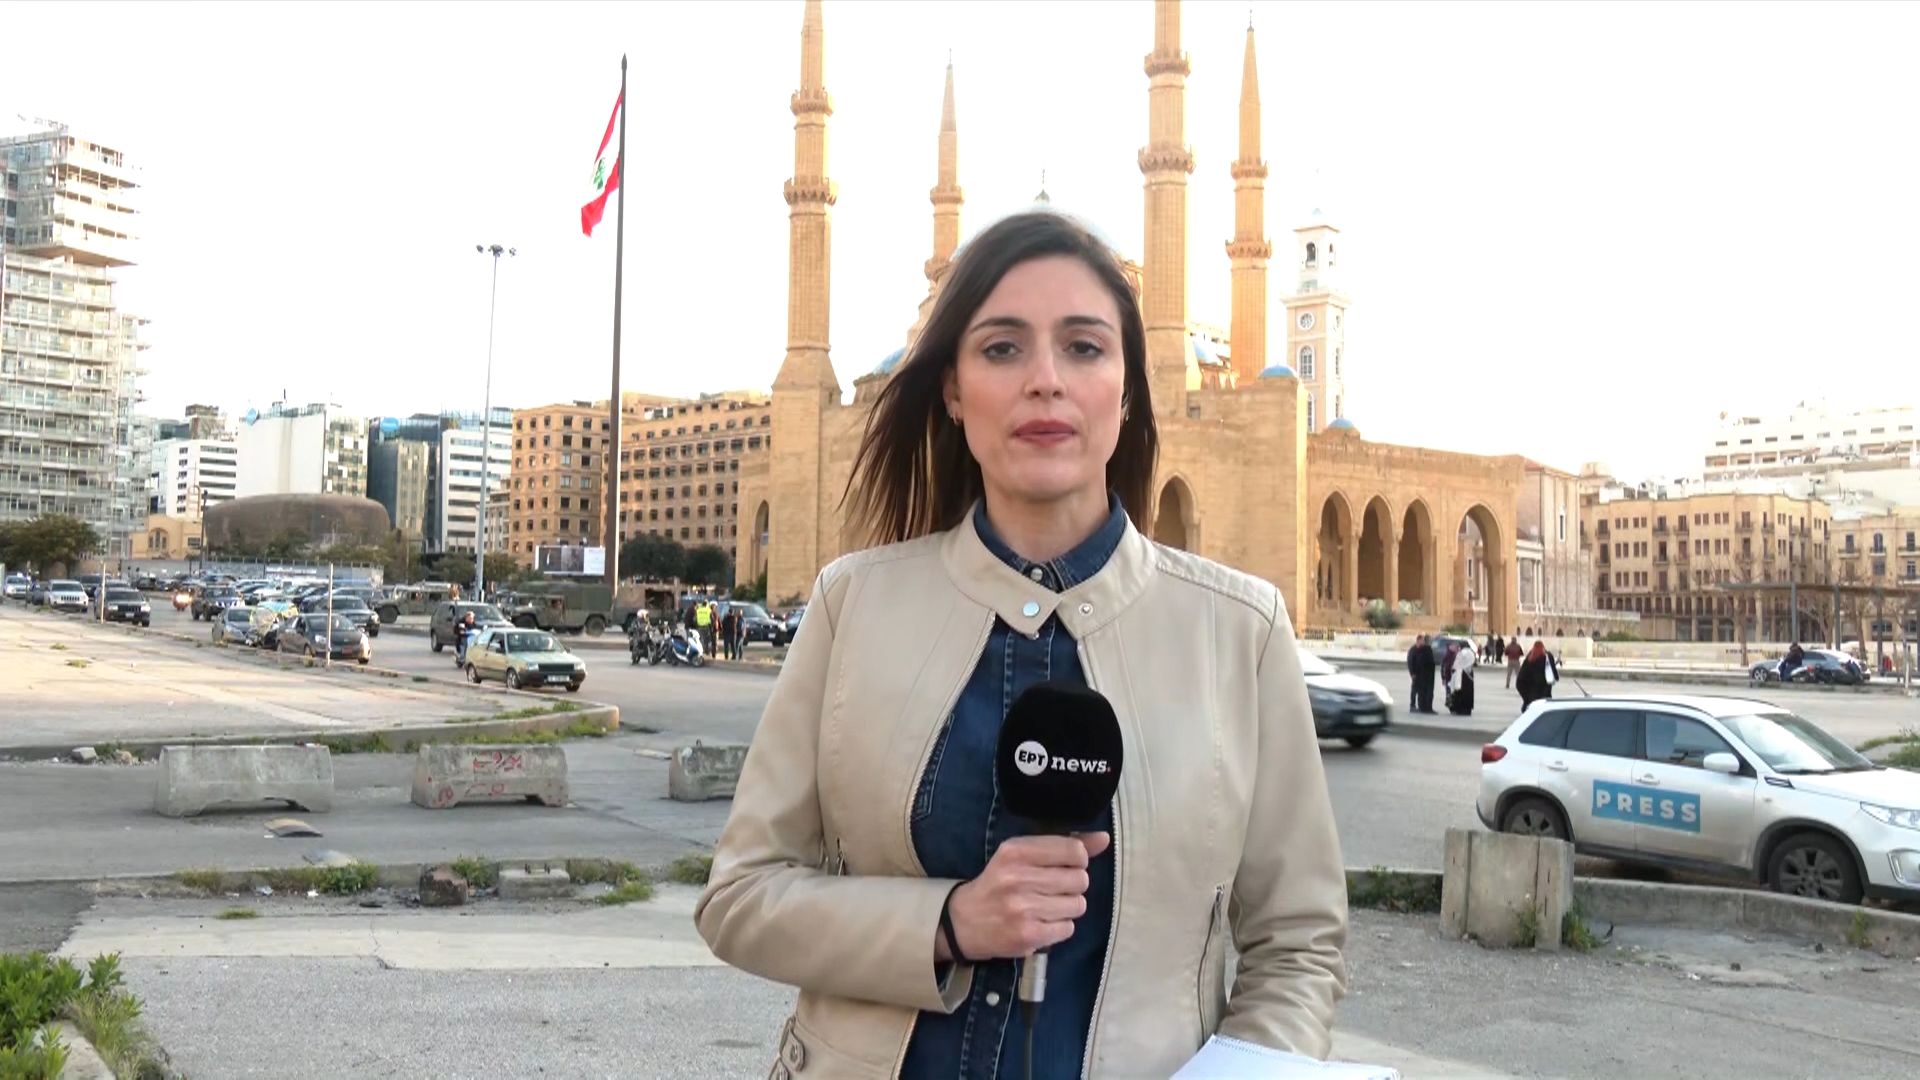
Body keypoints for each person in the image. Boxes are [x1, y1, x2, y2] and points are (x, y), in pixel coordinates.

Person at [693, 210, 1348, 1079]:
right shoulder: (856, 606)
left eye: (1084, 347)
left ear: (1129, 387)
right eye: (1003, 349)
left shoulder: (1238, 631)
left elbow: (1297, 944)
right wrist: (948, 922)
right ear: (954, 390)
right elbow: (742, 894)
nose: (1046, 380)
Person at [1516, 640, 1558, 708]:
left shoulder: (1529, 659)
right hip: (1545, 694)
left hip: (1532, 696)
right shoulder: (1548, 657)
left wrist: (1526, 698)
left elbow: (1520, 681)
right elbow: (1553, 670)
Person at [1448, 643, 1477, 716]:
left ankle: (1460, 708)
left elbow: (1456, 664)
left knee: (1460, 691)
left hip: (1461, 674)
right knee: (1468, 692)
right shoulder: (1471, 653)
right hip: (1469, 674)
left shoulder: (1462, 653)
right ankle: (1467, 709)